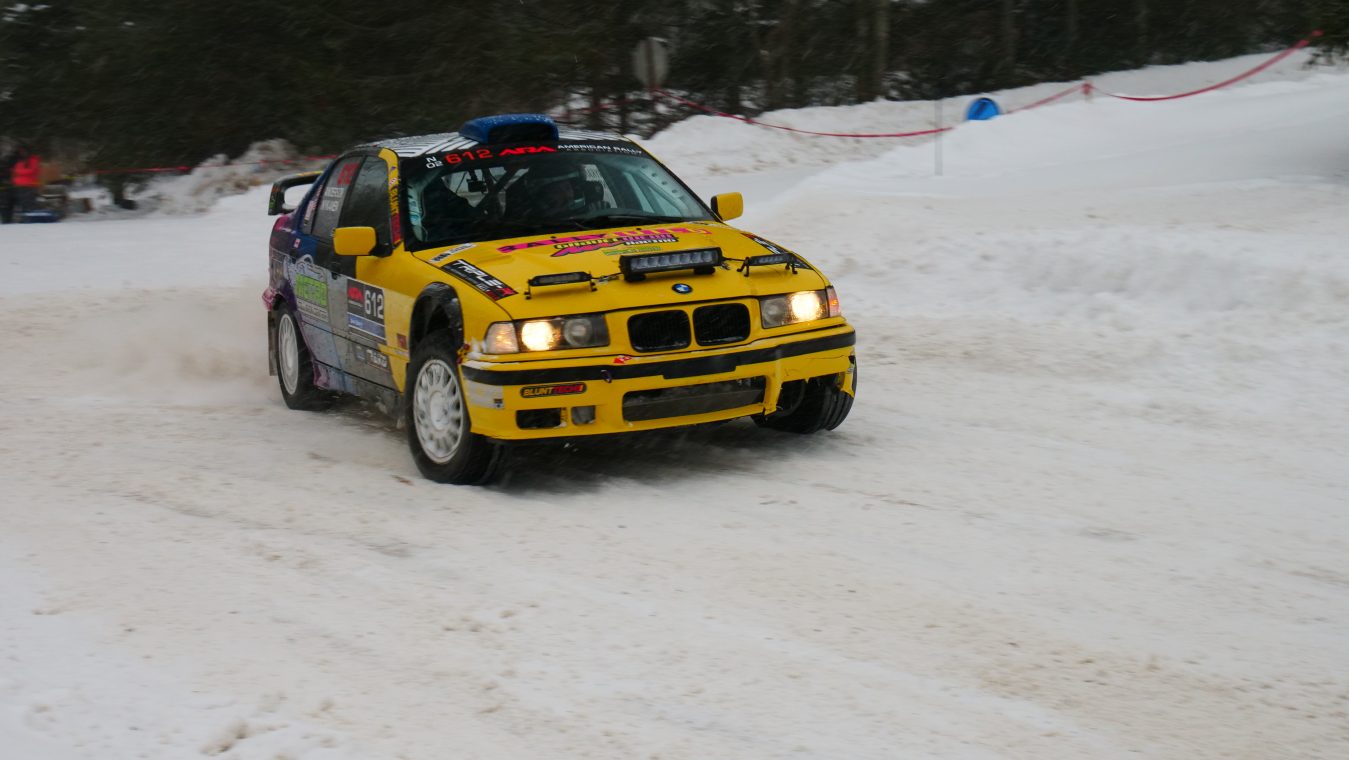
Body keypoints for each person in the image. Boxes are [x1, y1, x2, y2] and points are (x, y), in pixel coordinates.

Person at [10, 144, 42, 219]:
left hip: (29, 186)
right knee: (22, 205)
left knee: (29, 205)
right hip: (20, 186)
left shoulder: (33, 160)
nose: (22, 153)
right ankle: (25, 219)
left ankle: (30, 219)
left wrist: (18, 171)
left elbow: (31, 171)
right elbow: (14, 172)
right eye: (21, 151)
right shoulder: (20, 161)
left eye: (23, 151)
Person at [0, 143, 16, 224]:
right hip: (4, 187)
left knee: (8, 205)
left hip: (9, 186)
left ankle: (7, 221)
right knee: (5, 205)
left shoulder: (8, 160)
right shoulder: (6, 161)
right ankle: (6, 221)